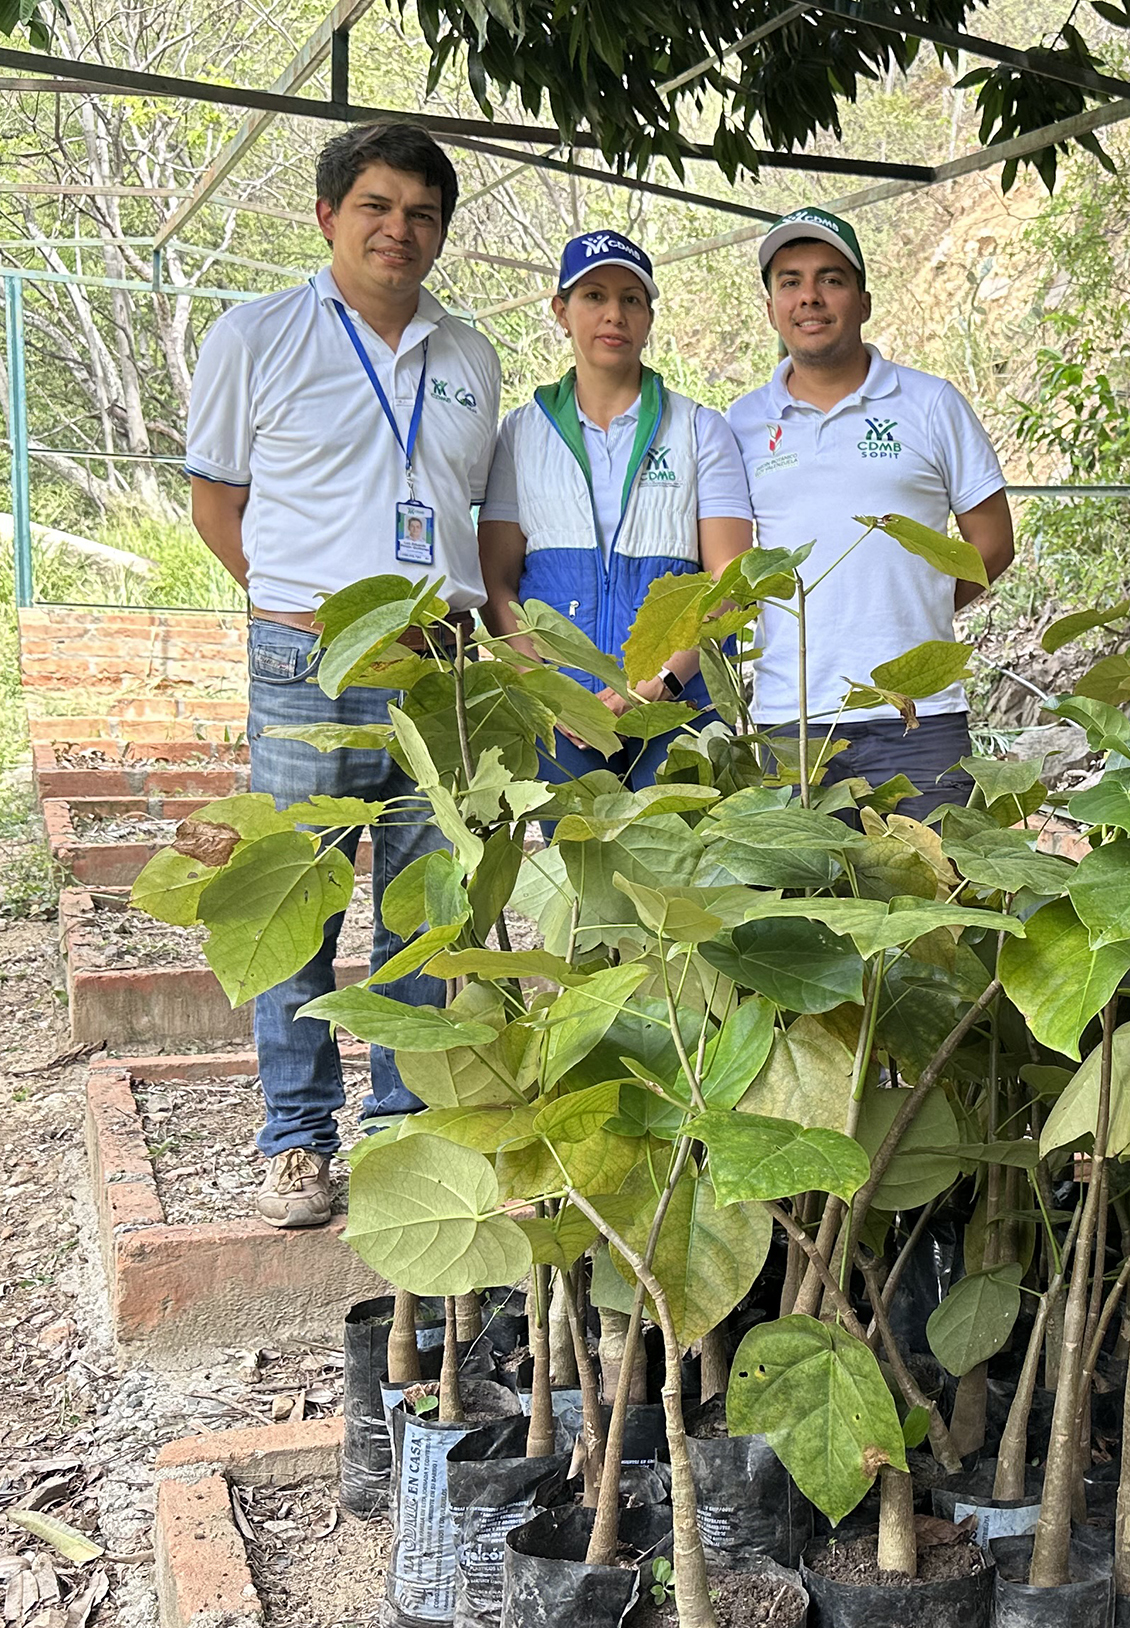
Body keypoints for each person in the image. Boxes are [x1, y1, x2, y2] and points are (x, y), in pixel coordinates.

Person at [184, 122, 502, 1229]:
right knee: (293, 904)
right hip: (305, 661)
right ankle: (296, 1140)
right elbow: (217, 504)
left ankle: (401, 1127)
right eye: (375, 206)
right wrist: (302, 613)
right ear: (328, 216)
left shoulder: (469, 358)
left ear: (441, 233)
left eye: (420, 213)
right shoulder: (256, 335)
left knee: (425, 909)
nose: (397, 230)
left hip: (442, 669)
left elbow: (464, 515)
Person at [729, 206, 1015, 819]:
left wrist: (916, 603)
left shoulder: (932, 404)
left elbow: (992, 544)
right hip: (790, 719)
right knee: (800, 912)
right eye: (790, 281)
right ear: (772, 307)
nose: (810, 297)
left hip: (918, 715)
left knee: (933, 905)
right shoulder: (740, 425)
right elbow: (727, 566)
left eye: (831, 279)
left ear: (862, 300)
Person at [479, 230, 753, 786]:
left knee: (674, 865)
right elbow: (496, 578)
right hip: (562, 716)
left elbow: (729, 580)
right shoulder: (520, 434)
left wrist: (654, 686)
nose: (614, 315)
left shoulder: (701, 430)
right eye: (593, 296)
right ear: (561, 311)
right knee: (578, 865)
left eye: (632, 299)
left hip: (678, 707)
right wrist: (548, 692)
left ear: (649, 316)